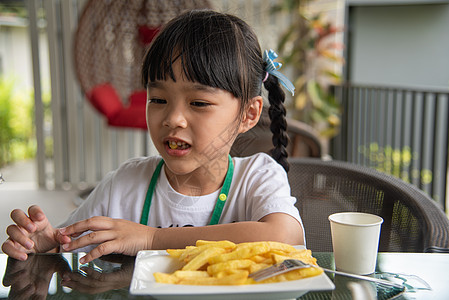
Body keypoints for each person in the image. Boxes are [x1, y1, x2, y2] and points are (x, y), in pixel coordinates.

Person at [2, 10, 304, 264]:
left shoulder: (257, 176)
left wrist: (151, 237)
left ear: (249, 114)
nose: (172, 118)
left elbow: (283, 237)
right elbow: (69, 243)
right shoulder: (124, 185)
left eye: (198, 103)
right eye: (158, 99)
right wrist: (46, 244)